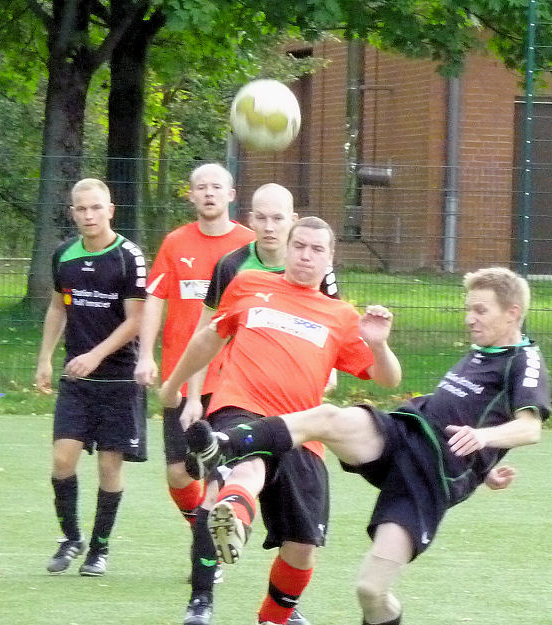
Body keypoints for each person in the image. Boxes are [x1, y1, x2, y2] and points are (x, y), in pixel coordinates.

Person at [182, 266, 552, 624]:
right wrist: (483, 462)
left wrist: (484, 442)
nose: (469, 319)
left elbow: (530, 427)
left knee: (371, 591)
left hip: (427, 479)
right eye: (468, 309)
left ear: (512, 313)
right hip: (405, 434)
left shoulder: (523, 359)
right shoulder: (485, 347)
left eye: (480, 310)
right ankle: (223, 443)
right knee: (327, 417)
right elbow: (471, 411)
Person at [160, 216, 402, 625]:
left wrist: (378, 345)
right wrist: (174, 387)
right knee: (247, 467)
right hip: (240, 408)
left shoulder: (341, 315)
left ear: (330, 258)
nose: (306, 256)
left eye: (317, 249)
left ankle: (272, 617)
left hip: (303, 428)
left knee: (302, 546)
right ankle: (210, 576)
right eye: (300, 246)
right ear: (287, 249)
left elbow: (388, 378)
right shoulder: (249, 284)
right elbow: (209, 338)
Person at [181, 185, 339, 625]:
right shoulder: (234, 267)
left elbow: (329, 323)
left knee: (300, 533)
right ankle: (201, 599)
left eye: (278, 218)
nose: (270, 227)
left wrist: (329, 368)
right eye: (262, 218)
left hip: (295, 411)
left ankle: (282, 607)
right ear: (251, 220)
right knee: (220, 489)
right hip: (238, 398)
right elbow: (205, 331)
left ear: (292, 221)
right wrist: (192, 395)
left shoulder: (318, 266)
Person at [133, 164, 253, 608]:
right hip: (182, 376)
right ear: (191, 195)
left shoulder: (248, 246)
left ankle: (209, 552)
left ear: (231, 195)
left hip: (233, 379)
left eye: (216, 187)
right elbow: (155, 299)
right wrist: (146, 356)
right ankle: (207, 535)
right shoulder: (175, 243)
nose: (208, 193)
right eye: (201, 187)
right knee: (178, 474)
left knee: (222, 471)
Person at [35, 178, 147, 577]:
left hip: (119, 380)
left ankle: (99, 549)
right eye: (81, 209)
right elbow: (58, 307)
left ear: (110, 210)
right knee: (62, 459)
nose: (89, 215)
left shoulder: (129, 257)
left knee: (109, 466)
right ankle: (71, 538)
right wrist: (45, 358)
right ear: (73, 213)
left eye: (96, 207)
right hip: (77, 380)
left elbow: (136, 321)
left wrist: (96, 355)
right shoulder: (64, 255)